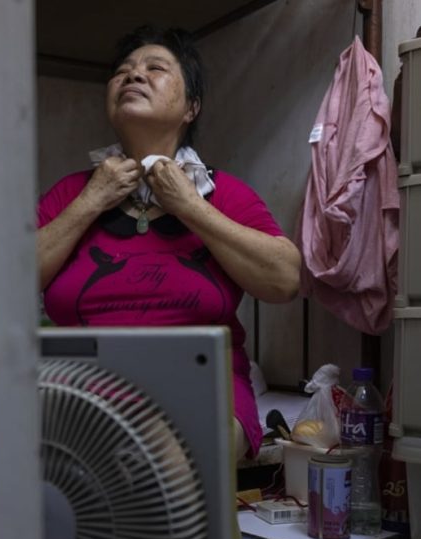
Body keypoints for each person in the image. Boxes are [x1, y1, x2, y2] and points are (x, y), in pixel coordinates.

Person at [37, 25, 301, 461]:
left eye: (154, 68)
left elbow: (286, 279)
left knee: (161, 453)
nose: (133, 76)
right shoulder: (70, 195)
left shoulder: (225, 194)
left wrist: (191, 207)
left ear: (191, 107)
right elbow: (6, 285)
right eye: (122, 72)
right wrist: (90, 202)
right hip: (80, 393)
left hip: (203, 395)